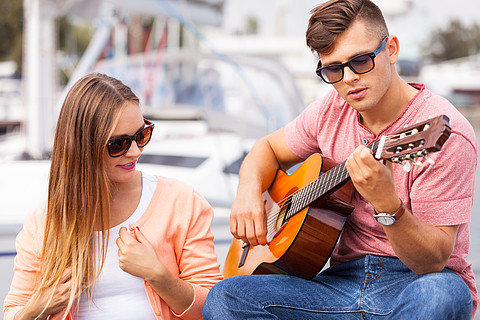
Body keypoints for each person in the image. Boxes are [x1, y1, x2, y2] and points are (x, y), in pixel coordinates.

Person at [202, 0, 478, 319]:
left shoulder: (445, 133)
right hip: (338, 284)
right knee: (226, 297)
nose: (348, 79)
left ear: (391, 49)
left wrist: (387, 205)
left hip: (415, 283)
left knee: (439, 294)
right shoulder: (331, 109)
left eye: (360, 61)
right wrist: (248, 192)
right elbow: (267, 148)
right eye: (333, 69)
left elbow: (432, 262)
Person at [3, 72, 223, 319]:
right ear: (84, 147)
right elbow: (14, 312)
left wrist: (158, 275)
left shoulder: (182, 202)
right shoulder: (44, 222)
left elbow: (214, 308)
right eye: (118, 144)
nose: (135, 151)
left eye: (142, 135)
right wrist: (41, 305)